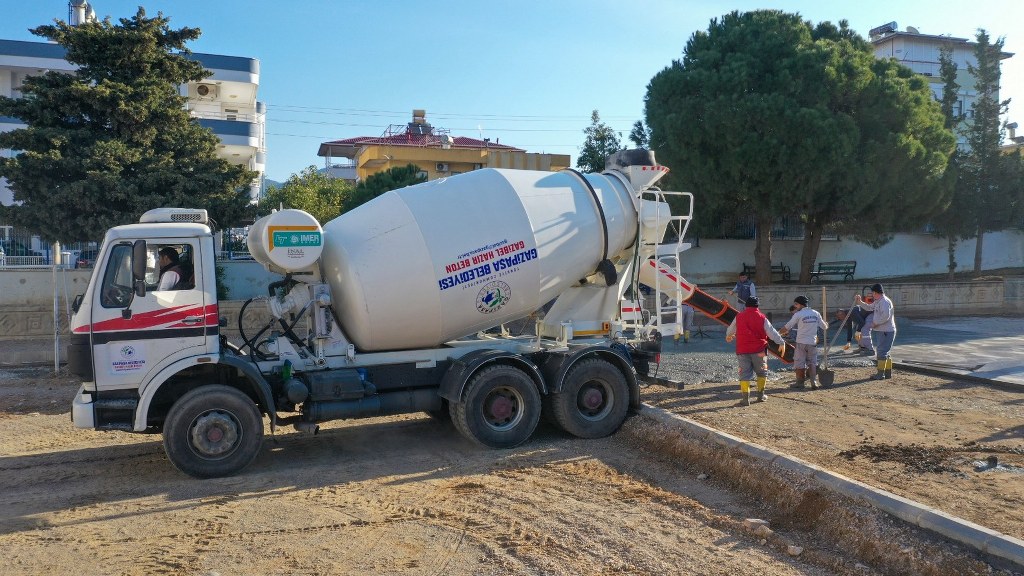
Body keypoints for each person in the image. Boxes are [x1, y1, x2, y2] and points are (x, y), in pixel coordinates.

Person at [725, 296, 786, 406]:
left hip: (742, 350)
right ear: (757, 305)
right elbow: (771, 332)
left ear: (746, 305)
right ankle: (760, 395)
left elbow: (731, 329)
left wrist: (728, 336)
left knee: (744, 374)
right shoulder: (762, 317)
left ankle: (745, 399)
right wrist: (781, 342)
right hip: (759, 350)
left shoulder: (739, 316)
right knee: (762, 372)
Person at [780, 295, 828, 389]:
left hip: (801, 342)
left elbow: (787, 327)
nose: (795, 306)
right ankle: (813, 382)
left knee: (799, 362)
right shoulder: (816, 313)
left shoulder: (798, 314)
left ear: (799, 304)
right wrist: (827, 324)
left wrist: (777, 334)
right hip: (812, 342)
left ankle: (800, 382)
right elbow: (824, 327)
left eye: (796, 304)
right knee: (812, 362)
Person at [855, 283, 896, 379]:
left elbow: (886, 316)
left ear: (876, 292)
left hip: (886, 331)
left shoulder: (884, 302)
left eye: (873, 293)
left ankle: (880, 374)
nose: (872, 295)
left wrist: (875, 323)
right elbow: (869, 307)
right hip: (883, 330)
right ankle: (887, 373)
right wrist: (860, 302)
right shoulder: (878, 301)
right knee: (885, 352)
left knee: (882, 352)